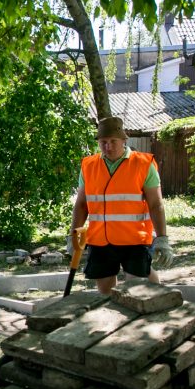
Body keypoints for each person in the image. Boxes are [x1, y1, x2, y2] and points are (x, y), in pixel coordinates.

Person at [71, 116, 175, 295]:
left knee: (139, 288)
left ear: (124, 140)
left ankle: (158, 302)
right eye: (103, 142)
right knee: (105, 292)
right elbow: (81, 205)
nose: (108, 146)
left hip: (134, 239)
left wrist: (162, 238)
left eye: (113, 141)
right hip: (100, 239)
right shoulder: (89, 166)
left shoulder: (143, 164)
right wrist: (73, 235)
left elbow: (156, 204)